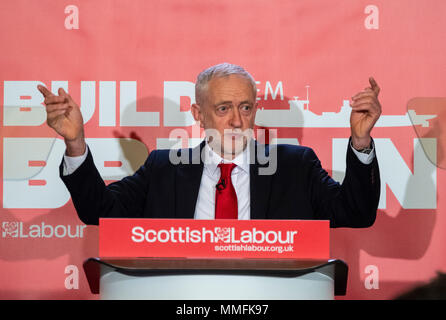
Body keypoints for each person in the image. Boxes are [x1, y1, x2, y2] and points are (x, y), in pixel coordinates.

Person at [37, 63, 381, 227]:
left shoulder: (295, 166)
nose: (236, 121)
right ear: (198, 114)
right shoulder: (163, 168)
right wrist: (76, 143)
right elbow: (101, 213)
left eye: (245, 107)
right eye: (223, 109)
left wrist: (361, 140)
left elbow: (357, 213)